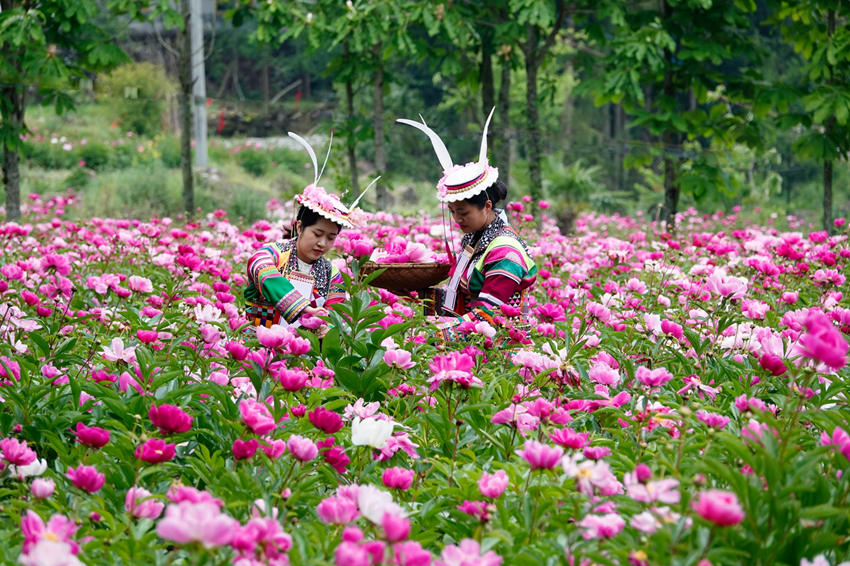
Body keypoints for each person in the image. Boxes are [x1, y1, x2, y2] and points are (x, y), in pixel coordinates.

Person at [397, 108, 537, 340]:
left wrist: (433, 336)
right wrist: (415, 294)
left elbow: (487, 314)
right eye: (452, 212)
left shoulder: (505, 252)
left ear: (488, 206)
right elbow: (461, 300)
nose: (457, 219)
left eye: (463, 212)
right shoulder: (476, 239)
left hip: (502, 348)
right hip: (479, 340)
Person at [244, 132, 366, 338]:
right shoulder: (270, 255)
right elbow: (263, 272)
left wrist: (328, 328)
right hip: (259, 348)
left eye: (330, 237)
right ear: (300, 227)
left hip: (304, 356)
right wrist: (303, 308)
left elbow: (337, 313)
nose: (322, 243)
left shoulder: (332, 273)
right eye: (317, 233)